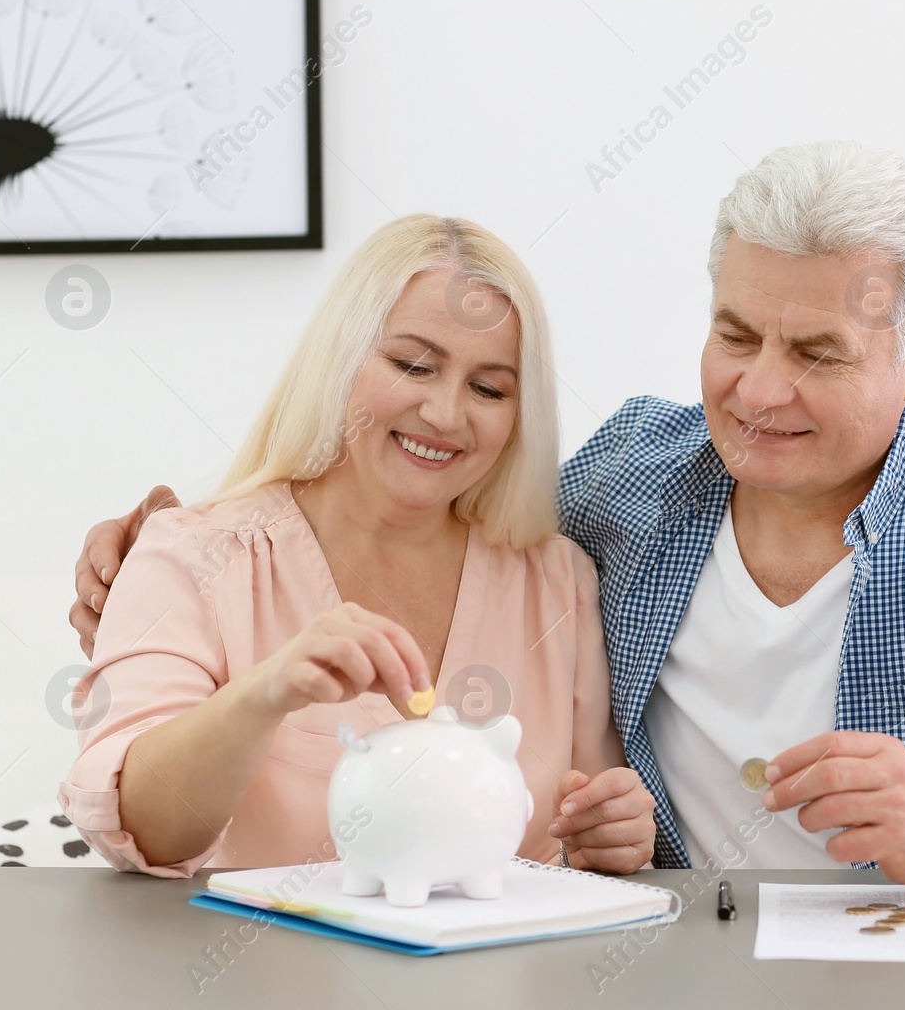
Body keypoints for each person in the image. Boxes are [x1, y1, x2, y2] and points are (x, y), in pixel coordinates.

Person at [73, 143, 905, 894]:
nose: (757, 391)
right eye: (737, 334)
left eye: (816, 352)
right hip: (666, 967)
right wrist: (154, 558)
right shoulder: (626, 484)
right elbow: (405, 492)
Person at [59, 215, 655, 880]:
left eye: (489, 388)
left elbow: (586, 829)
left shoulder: (557, 579)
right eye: (413, 365)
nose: (446, 413)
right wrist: (267, 691)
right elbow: (138, 826)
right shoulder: (192, 556)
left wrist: (614, 833)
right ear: (342, 358)